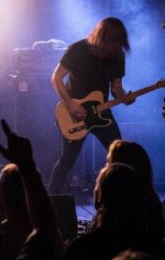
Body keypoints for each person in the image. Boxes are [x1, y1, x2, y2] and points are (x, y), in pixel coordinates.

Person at [48, 17, 136, 194]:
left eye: (119, 44)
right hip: (75, 113)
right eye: (113, 43)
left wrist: (124, 97)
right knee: (67, 161)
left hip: (101, 112)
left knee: (121, 156)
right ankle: (52, 202)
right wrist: (71, 104)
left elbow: (116, 87)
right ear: (103, 38)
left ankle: (116, 199)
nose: (115, 48)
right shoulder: (78, 50)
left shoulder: (117, 56)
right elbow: (56, 78)